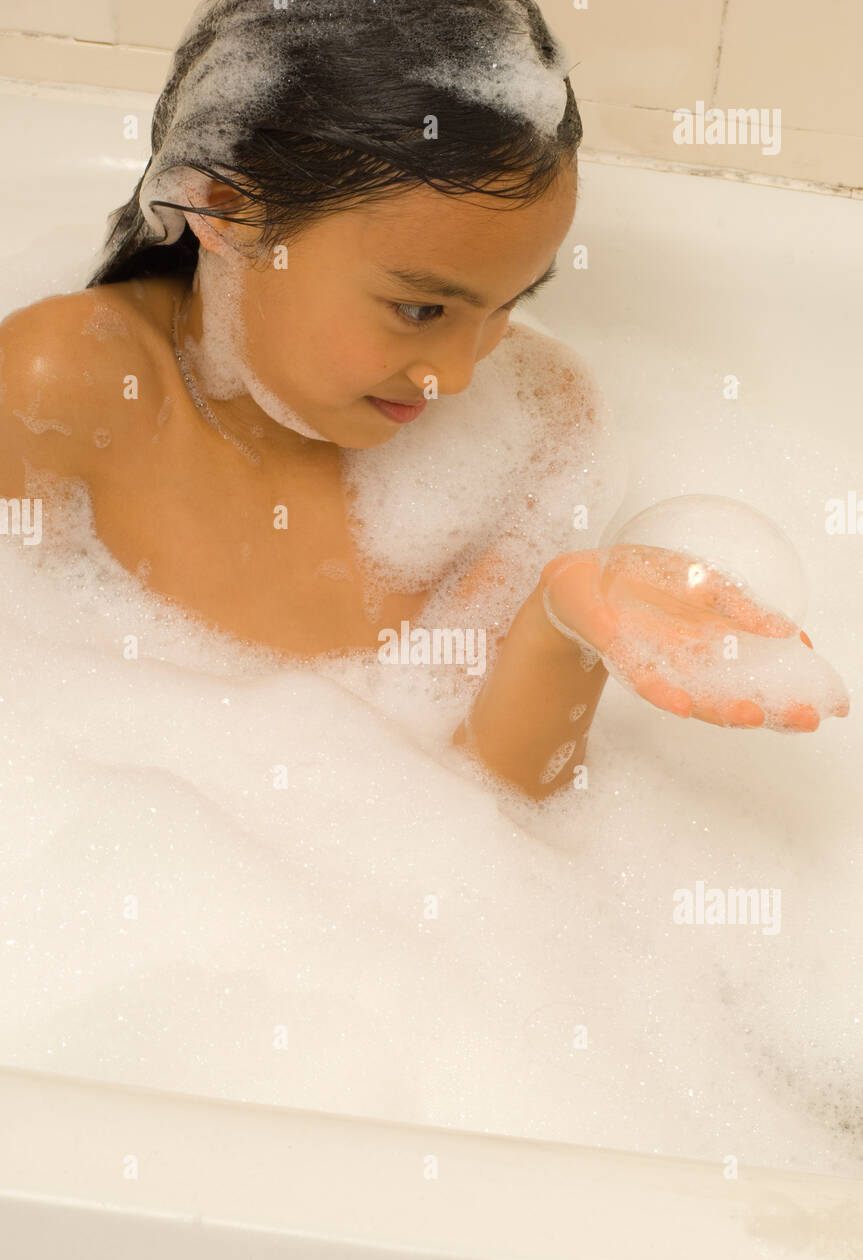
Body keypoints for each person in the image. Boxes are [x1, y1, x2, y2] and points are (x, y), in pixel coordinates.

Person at [0, 0, 837, 803]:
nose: (461, 375)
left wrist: (567, 623)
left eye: (508, 304)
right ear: (223, 209)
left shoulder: (539, 420)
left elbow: (498, 812)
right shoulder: (62, 388)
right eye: (420, 310)